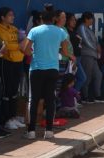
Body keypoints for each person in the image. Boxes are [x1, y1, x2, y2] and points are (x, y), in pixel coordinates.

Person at [20, 9, 74, 140]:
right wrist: (68, 56)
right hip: (53, 70)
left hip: (36, 69)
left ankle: (31, 131)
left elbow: (25, 49)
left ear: (41, 18)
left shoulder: (35, 31)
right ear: (54, 19)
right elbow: (66, 51)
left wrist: (33, 54)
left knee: (34, 100)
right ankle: (49, 131)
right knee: (50, 100)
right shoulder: (60, 31)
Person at [0, 7, 26, 131]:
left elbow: (24, 42)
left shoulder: (14, 29)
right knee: (7, 90)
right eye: (10, 15)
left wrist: (19, 45)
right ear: (2, 17)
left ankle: (13, 116)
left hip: (18, 61)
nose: (13, 17)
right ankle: (6, 119)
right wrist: (18, 45)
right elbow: (5, 45)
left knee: (14, 91)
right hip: (6, 61)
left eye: (13, 15)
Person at [77, 11, 104, 104]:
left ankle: (97, 95)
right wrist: (96, 48)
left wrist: (98, 46)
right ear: (86, 19)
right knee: (87, 76)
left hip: (93, 55)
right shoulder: (82, 27)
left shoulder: (88, 29)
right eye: (91, 19)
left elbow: (95, 40)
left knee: (98, 74)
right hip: (86, 55)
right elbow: (86, 40)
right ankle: (85, 97)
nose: (92, 21)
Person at [65, 13, 87, 93]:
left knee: (74, 80)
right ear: (67, 21)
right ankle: (72, 97)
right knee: (82, 78)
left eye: (75, 20)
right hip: (72, 58)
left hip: (78, 58)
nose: (74, 21)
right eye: (72, 20)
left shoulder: (74, 31)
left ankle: (72, 98)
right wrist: (72, 58)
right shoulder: (66, 32)